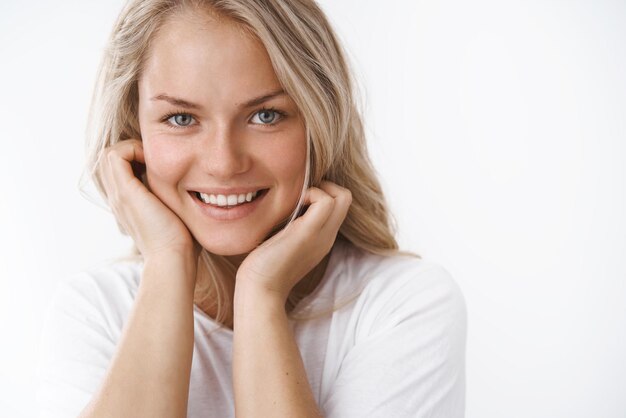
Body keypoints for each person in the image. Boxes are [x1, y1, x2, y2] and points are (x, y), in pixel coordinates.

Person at [36, 0, 467, 417]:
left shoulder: (402, 305)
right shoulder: (94, 311)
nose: (223, 163)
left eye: (264, 116)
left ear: (320, 120)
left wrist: (261, 295)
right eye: (182, 119)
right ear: (134, 131)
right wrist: (167, 264)